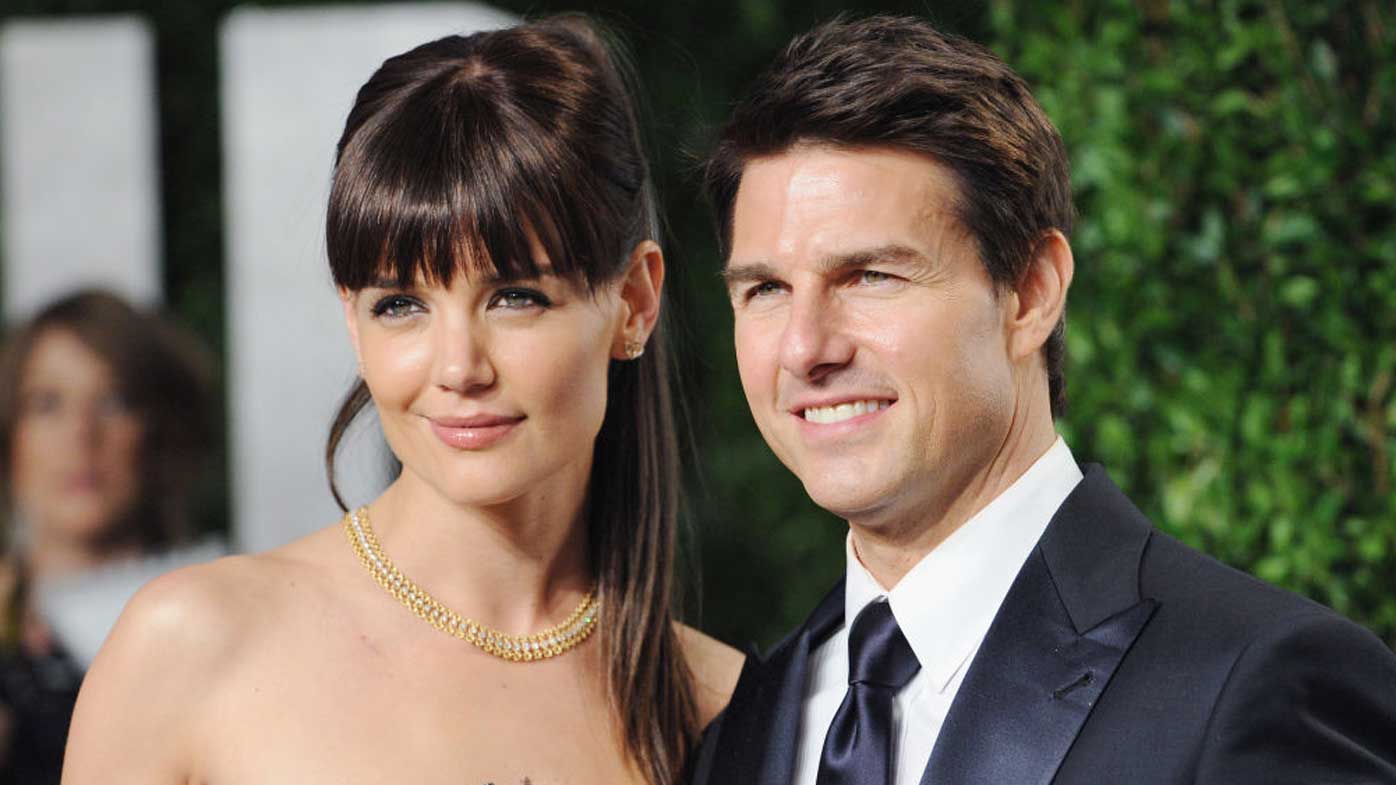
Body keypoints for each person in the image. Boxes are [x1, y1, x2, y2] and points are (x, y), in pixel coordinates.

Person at [690, 14, 1396, 785]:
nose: (804, 348)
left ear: (1031, 292)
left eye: (870, 276)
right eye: (765, 289)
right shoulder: (738, 731)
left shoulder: (1262, 679)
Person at [62, 16, 742, 785]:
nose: (458, 367)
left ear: (634, 302)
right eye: (401, 305)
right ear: (352, 320)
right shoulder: (191, 646)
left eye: (515, 296)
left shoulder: (729, 710)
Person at [0, 289, 214, 785]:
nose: (80, 434)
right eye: (46, 404)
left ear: (160, 432)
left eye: (114, 402)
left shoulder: (227, 616)